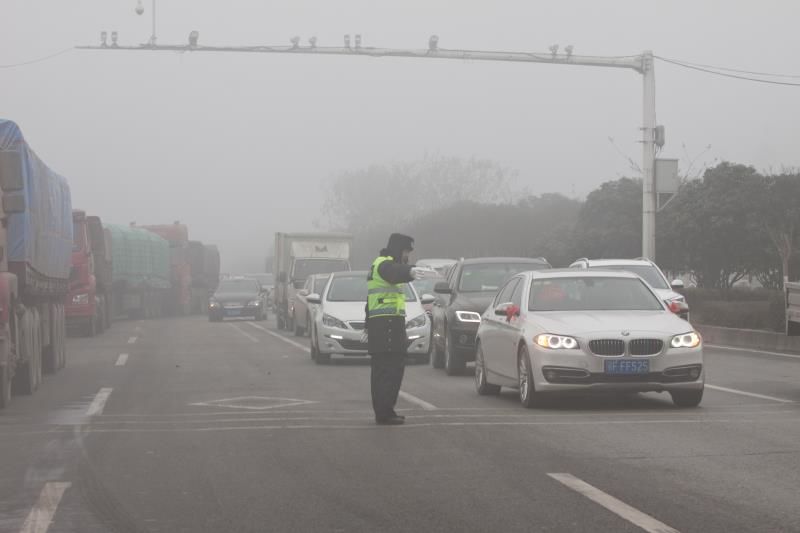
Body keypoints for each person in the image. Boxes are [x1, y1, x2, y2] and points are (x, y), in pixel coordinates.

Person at [365, 233, 435, 425]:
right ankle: (384, 413)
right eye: (406, 252)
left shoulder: (384, 265)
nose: (407, 257)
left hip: (389, 325)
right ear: (397, 249)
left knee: (392, 369)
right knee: (387, 371)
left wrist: (412, 270)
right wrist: (410, 271)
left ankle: (387, 410)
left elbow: (396, 274)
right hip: (384, 326)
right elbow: (394, 272)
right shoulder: (383, 263)